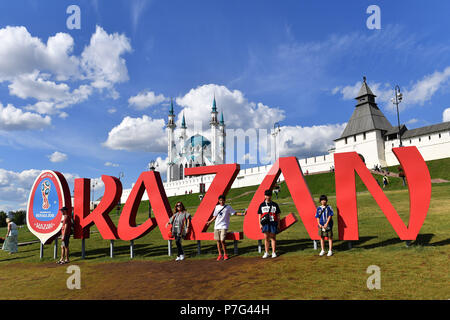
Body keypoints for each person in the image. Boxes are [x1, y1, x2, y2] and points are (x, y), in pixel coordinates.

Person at [206, 195, 236, 261]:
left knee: (222, 240)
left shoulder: (228, 207)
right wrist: (210, 222)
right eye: (220, 200)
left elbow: (234, 213)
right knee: (218, 241)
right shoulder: (217, 207)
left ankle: (225, 254)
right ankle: (220, 254)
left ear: (225, 200)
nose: (221, 201)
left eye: (222, 200)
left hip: (224, 226)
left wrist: (243, 214)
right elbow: (214, 216)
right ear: (218, 201)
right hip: (217, 226)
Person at [258, 189, 281, 258]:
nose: (268, 197)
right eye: (267, 195)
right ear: (265, 196)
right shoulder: (262, 205)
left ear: (271, 196)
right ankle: (267, 252)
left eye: (269, 195)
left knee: (273, 237)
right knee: (266, 238)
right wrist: (260, 224)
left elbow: (278, 215)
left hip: (273, 223)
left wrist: (278, 224)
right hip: (265, 224)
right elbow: (259, 215)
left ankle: (274, 252)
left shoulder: (275, 204)